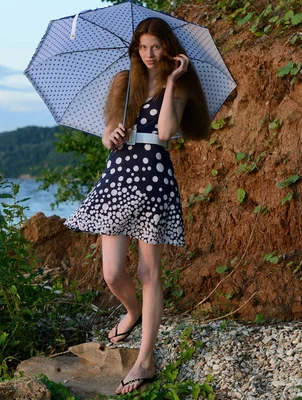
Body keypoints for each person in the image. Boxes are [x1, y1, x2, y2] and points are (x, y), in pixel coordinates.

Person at [64, 17, 209, 395]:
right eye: (143, 47)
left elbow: (163, 133)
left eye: (156, 47)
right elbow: (107, 131)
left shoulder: (178, 86)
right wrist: (108, 136)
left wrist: (173, 82)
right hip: (118, 177)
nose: (149, 54)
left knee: (149, 272)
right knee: (112, 273)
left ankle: (146, 360)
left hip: (154, 179)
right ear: (135, 48)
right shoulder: (122, 83)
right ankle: (135, 312)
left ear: (168, 48)